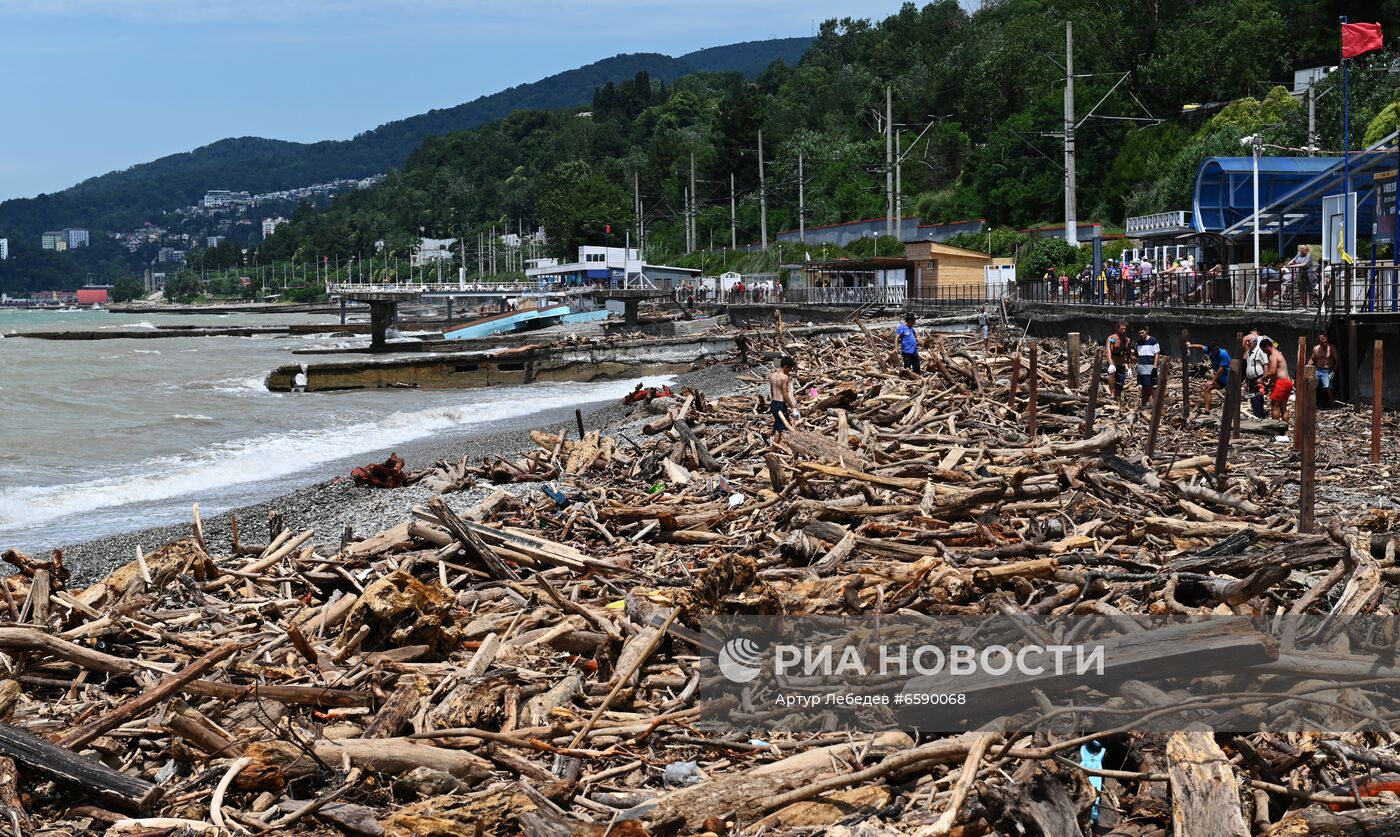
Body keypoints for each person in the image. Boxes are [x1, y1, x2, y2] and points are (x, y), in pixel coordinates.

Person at [1188, 341, 1230, 411]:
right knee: (1207, 388)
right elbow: (1201, 347)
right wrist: (1190, 346)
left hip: (1229, 378)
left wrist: (1212, 381)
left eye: (1216, 351)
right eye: (1213, 351)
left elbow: (1221, 369)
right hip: (1221, 378)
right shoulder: (1209, 350)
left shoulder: (1223, 354)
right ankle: (1207, 409)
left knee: (1230, 395)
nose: (1214, 353)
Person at [1258, 338, 1293, 422]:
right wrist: (1270, 381)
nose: (1264, 352)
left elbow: (1272, 371)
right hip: (1288, 382)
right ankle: (1285, 428)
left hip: (1282, 383)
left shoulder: (1273, 355)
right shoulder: (1278, 354)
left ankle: (1276, 428)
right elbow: (1278, 372)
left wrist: (1262, 379)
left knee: (1274, 406)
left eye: (1263, 350)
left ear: (1267, 347)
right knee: (1283, 407)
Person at [769, 356, 799, 444]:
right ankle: (773, 451)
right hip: (780, 405)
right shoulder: (784, 377)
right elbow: (785, 395)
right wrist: (793, 408)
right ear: (786, 366)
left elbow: (771, 392)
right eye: (790, 369)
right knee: (780, 430)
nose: (790, 371)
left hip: (773, 403)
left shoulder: (772, 375)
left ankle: (767, 435)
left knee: (782, 423)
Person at [1135, 325, 1161, 408]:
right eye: (1139, 333)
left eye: (1142, 333)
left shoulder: (1153, 340)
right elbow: (1137, 355)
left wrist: (1155, 367)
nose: (1141, 335)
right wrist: (1134, 349)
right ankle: (1145, 404)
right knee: (1143, 387)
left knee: (1149, 387)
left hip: (1149, 366)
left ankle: (1154, 405)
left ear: (1146, 331)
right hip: (1141, 366)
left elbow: (1156, 354)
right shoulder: (1139, 342)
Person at [1105, 321, 1130, 404]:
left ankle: (1117, 398)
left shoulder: (1127, 340)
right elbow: (1108, 352)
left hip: (1121, 363)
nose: (1123, 331)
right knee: (1112, 374)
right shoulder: (1112, 338)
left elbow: (1128, 354)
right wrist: (1111, 364)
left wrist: (1129, 367)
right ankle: (1112, 394)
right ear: (1118, 328)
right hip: (1113, 362)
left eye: (1125, 329)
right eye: (1122, 329)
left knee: (1120, 384)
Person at [1311, 333, 1339, 408]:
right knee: (1312, 387)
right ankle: (1312, 405)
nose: (1325, 343)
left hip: (1328, 370)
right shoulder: (1316, 348)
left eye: (1326, 342)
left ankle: (1333, 405)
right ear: (1319, 342)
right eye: (1323, 342)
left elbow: (1338, 360)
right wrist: (1307, 367)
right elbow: (1312, 359)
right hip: (1318, 370)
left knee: (1329, 388)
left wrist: (1333, 372)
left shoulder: (1332, 348)